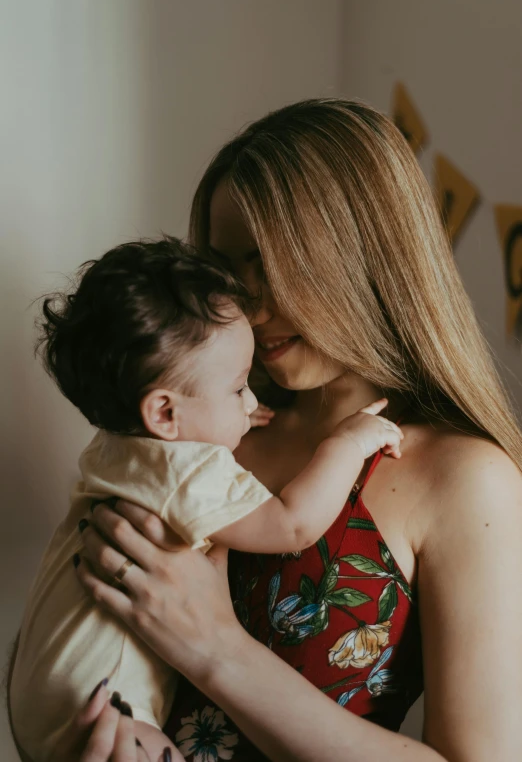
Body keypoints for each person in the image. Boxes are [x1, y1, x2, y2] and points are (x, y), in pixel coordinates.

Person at [12, 98, 522, 762]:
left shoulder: (463, 478)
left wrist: (218, 650)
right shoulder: (201, 433)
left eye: (273, 262)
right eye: (228, 271)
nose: (249, 303)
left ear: (367, 257)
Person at [9, 238, 402, 762]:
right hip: (110, 715)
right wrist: (347, 442)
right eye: (238, 388)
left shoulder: (115, 447)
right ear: (166, 416)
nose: (254, 400)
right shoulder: (192, 469)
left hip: (41, 698)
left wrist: (221, 413)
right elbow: (291, 525)